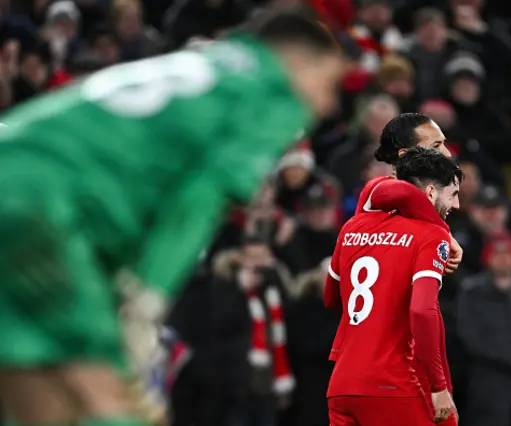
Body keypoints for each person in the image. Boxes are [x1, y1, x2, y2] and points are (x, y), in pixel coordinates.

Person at [0, 10, 345, 426]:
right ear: (299, 61)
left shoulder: (208, 66)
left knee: (37, 385)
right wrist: (149, 297)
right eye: (330, 84)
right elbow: (201, 197)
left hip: (17, 174)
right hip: (42, 204)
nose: (327, 104)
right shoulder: (269, 88)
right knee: (108, 392)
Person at [325, 147, 462, 425]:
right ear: (432, 192)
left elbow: (330, 298)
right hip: (392, 384)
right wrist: (438, 387)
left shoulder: (353, 227)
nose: (457, 206)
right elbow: (423, 311)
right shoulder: (431, 235)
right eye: (454, 194)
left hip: (342, 386)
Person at [354, 112, 462, 275]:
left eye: (444, 144)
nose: (447, 153)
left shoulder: (434, 194)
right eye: (435, 146)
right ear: (405, 155)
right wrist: (443, 231)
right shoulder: (379, 190)